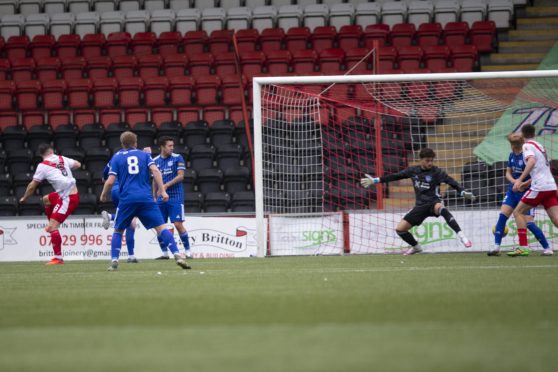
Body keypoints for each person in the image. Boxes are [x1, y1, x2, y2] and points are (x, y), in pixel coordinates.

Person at [100, 131, 191, 271]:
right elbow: (156, 171)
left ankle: (114, 261)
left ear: (122, 144)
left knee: (118, 230)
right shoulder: (145, 155)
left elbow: (110, 180)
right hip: (146, 198)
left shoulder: (117, 157)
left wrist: (104, 194)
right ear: (136, 143)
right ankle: (177, 254)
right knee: (161, 228)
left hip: (127, 199)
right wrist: (163, 190)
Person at [360, 147, 476, 255]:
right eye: (427, 160)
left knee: (441, 208)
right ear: (421, 160)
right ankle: (416, 247)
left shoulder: (437, 172)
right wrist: (376, 180)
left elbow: (452, 182)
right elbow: (396, 176)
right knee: (400, 229)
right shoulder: (413, 171)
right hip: (420, 206)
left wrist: (462, 191)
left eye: (431, 160)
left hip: (433, 202)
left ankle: (462, 236)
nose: (430, 163)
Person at [488, 133, 550, 256]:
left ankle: (547, 248)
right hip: (513, 191)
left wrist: (524, 183)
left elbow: (538, 174)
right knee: (502, 216)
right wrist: (515, 182)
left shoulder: (527, 155)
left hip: (527, 191)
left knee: (528, 222)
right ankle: (496, 247)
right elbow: (508, 173)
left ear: (513, 145)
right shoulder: (511, 155)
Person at [19, 144, 81, 265]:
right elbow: (78, 164)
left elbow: (32, 186)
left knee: (52, 227)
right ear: (51, 150)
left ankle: (58, 258)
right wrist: (64, 169)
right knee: (46, 199)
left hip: (68, 198)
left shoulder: (42, 166)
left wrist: (25, 197)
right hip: (65, 193)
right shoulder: (62, 158)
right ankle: (52, 223)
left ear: (41, 154)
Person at [507, 124, 556, 257]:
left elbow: (532, 162)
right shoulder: (540, 146)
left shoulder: (527, 146)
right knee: (555, 219)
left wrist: (519, 180)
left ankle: (523, 247)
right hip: (551, 186)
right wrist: (526, 182)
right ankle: (544, 247)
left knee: (517, 212)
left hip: (539, 187)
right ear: (534, 133)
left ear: (522, 135)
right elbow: (542, 169)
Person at [151, 136, 192, 259]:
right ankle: (164, 253)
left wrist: (165, 186)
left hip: (176, 196)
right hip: (160, 198)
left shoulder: (177, 158)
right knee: (159, 225)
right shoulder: (155, 161)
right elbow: (154, 180)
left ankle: (188, 251)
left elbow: (181, 176)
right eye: (169, 146)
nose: (172, 148)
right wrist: (154, 195)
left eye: (172, 146)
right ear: (162, 147)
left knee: (178, 224)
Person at [100, 161, 139, 263]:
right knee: (131, 221)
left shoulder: (114, 159)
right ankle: (130, 256)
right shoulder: (135, 157)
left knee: (129, 221)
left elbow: (104, 176)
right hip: (127, 191)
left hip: (114, 191)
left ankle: (110, 216)